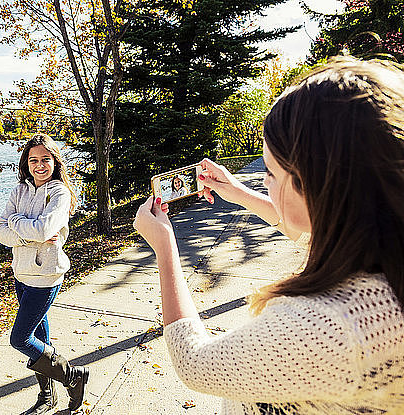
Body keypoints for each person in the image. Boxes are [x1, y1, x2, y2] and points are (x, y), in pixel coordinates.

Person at [133, 57, 404, 414]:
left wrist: (166, 247)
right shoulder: (384, 245)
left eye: (272, 172)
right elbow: (319, 226)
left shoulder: (327, 325)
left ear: (318, 184)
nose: (264, 180)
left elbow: (195, 363)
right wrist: (237, 190)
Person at [0, 133, 89, 414]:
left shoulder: (59, 192)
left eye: (45, 159)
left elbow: (44, 230)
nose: (39, 165)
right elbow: (0, 233)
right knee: (40, 338)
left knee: (20, 339)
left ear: (54, 161)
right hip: (21, 274)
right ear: (26, 163)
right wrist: (26, 230)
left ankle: (73, 377)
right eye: (33, 159)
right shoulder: (19, 191)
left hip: (45, 277)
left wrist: (18, 224)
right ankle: (47, 398)